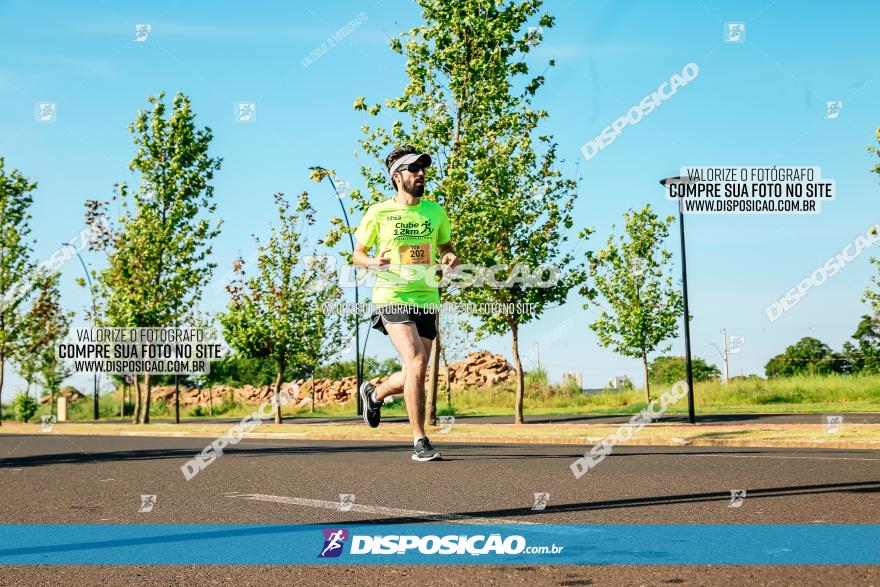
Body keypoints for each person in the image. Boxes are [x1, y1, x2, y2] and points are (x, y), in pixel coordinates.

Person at [352, 145, 459, 461]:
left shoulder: (435, 212)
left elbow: (446, 248)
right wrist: (372, 262)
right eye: (414, 169)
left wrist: (450, 258)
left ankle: (375, 393)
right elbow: (357, 255)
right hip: (392, 296)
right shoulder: (378, 212)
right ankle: (420, 440)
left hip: (427, 296)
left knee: (418, 368)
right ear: (397, 176)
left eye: (423, 168)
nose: (421, 173)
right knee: (416, 361)